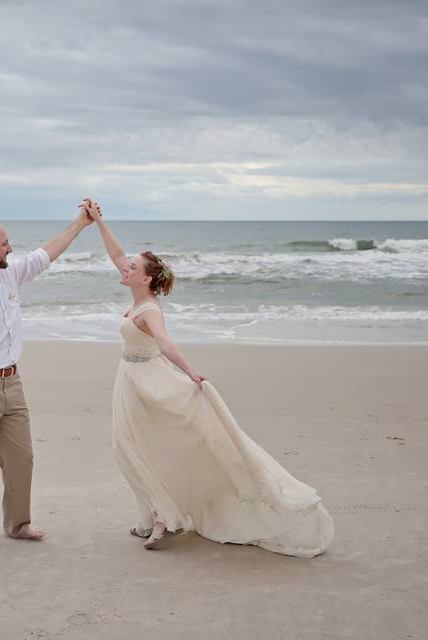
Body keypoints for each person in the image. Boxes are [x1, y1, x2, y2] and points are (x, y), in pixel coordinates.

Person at [82, 198, 334, 556]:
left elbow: (166, 343)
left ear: (146, 277)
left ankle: (165, 519)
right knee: (131, 446)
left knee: (153, 447)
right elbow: (116, 254)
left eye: (132, 267)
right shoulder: (137, 291)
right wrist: (98, 222)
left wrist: (190, 372)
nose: (124, 268)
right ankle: (155, 511)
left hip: (151, 381)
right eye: (128, 265)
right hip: (129, 380)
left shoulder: (150, 308)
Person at [0, 205, 94, 554]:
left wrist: (80, 225)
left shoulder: (8, 275)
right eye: (5, 243)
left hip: (13, 381)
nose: (11, 248)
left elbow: (46, 255)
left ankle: (18, 524)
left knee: (21, 459)